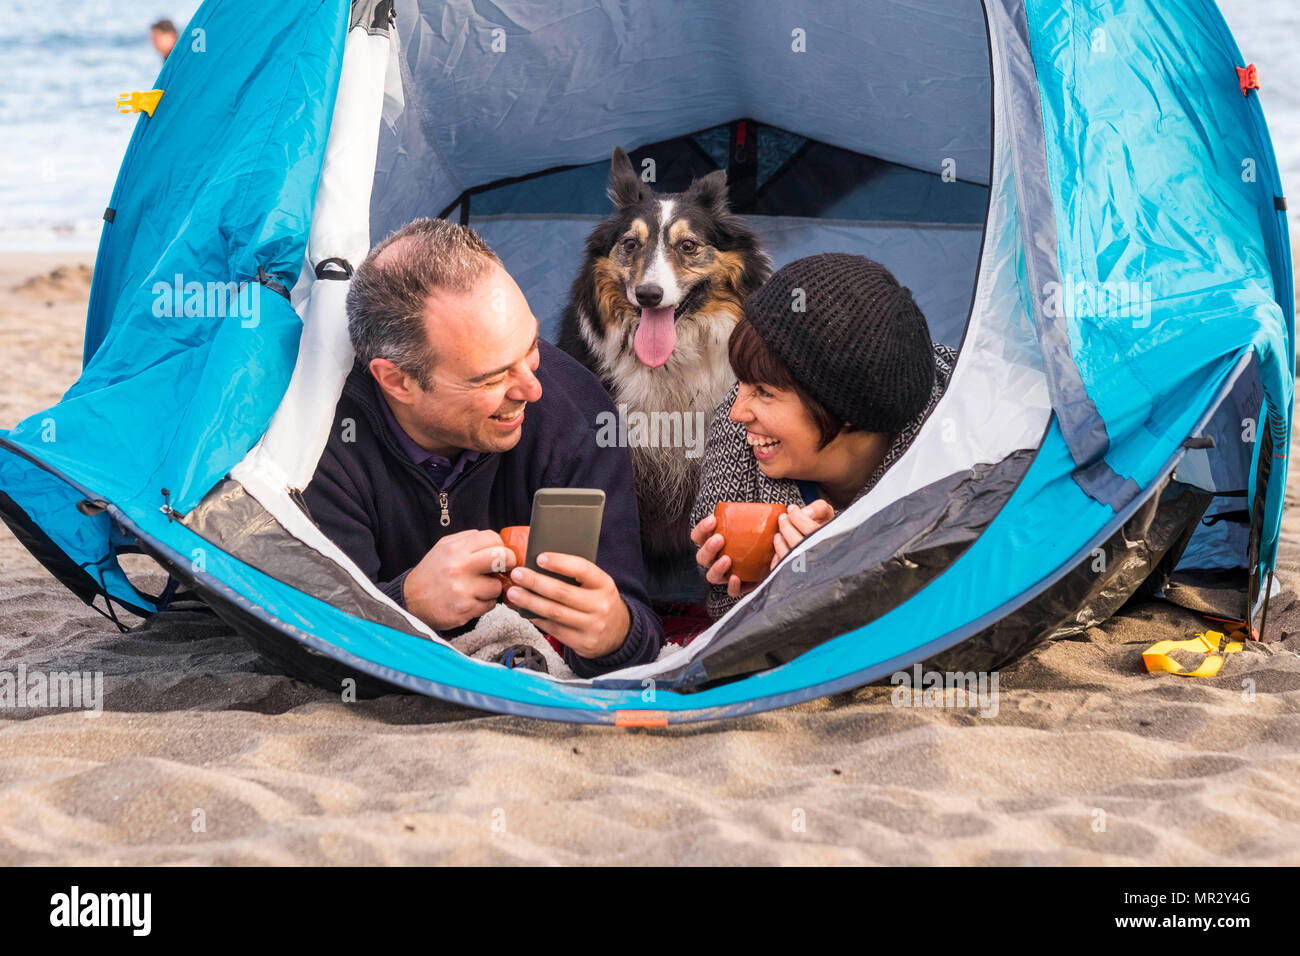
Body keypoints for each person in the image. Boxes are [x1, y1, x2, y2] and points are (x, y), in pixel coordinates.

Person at [303, 219, 663, 676]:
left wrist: (613, 631)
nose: (532, 389)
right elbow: (306, 638)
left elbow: (640, 626)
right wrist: (406, 602)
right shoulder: (317, 436)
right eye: (491, 378)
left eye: (531, 346)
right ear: (396, 381)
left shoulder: (576, 410)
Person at [690, 253, 956, 618]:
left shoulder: (960, 450)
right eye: (742, 382)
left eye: (765, 391)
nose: (738, 410)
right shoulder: (740, 428)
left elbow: (955, 613)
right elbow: (723, 601)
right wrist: (764, 590)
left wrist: (841, 569)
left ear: (841, 409)